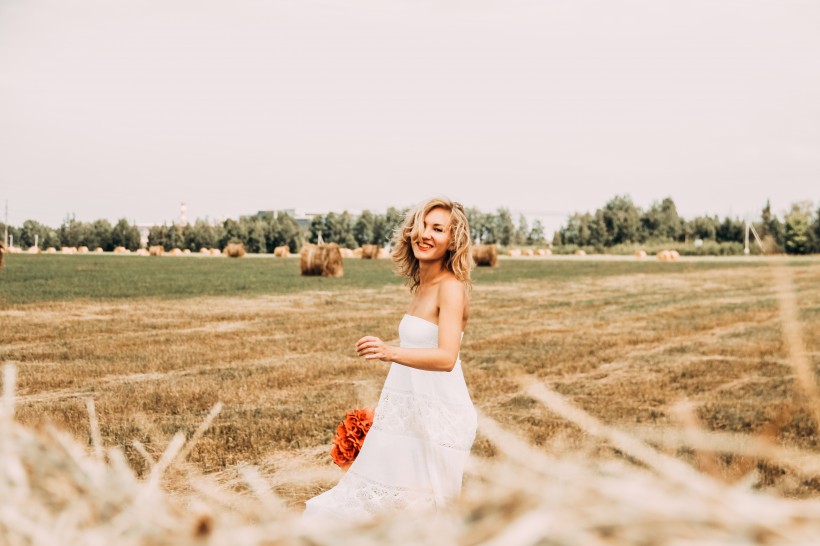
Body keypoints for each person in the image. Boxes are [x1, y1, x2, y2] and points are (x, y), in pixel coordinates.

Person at [303, 197, 477, 521]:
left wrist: (389, 351)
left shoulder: (451, 288)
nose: (424, 234)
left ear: (453, 241)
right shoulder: (423, 286)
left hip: (440, 419)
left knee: (422, 518)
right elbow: (421, 345)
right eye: (421, 225)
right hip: (410, 413)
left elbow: (446, 358)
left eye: (437, 229)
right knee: (376, 508)